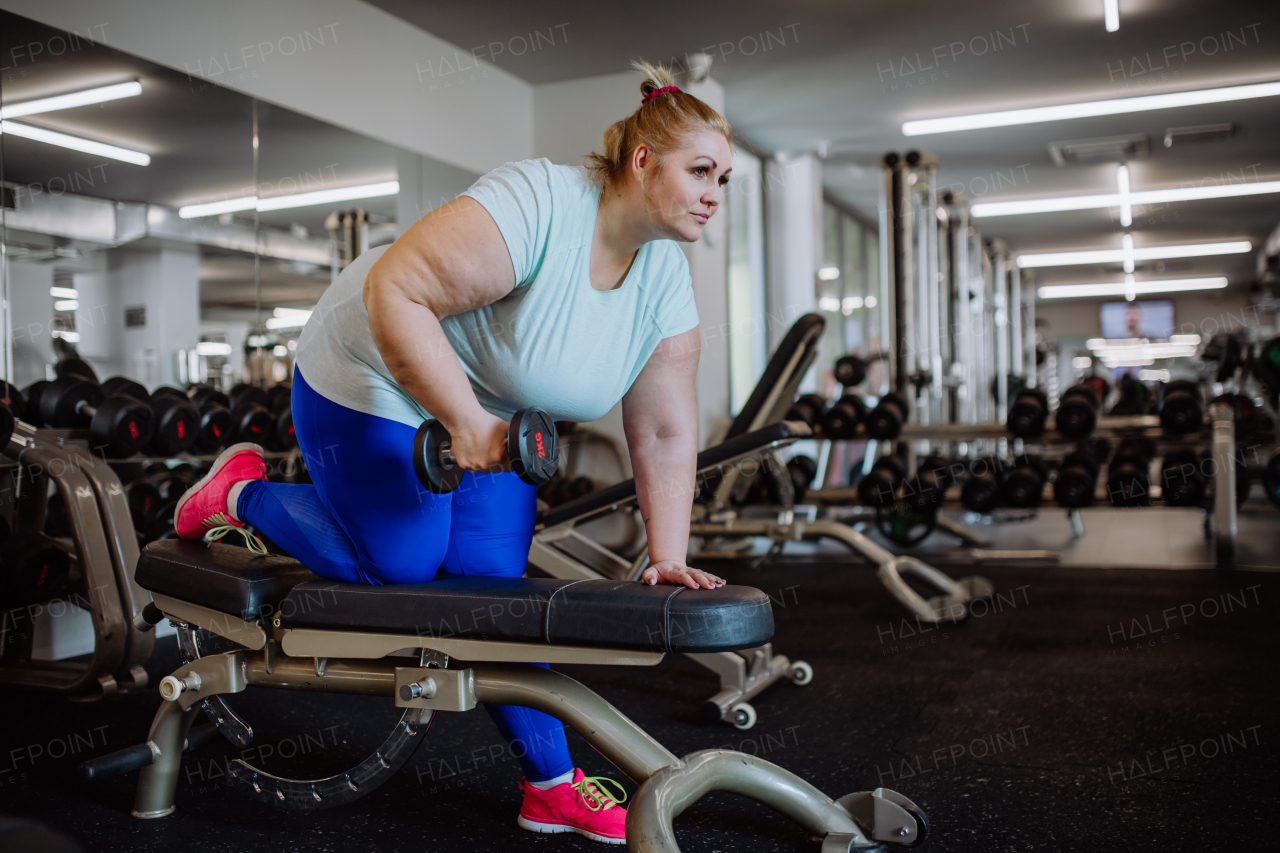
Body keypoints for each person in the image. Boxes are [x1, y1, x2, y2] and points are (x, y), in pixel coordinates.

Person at [173, 62, 732, 846]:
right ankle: (239, 490)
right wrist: (464, 420)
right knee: (401, 564)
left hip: (488, 405)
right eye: (700, 171)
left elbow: (666, 429)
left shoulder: (666, 280)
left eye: (724, 179)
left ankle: (552, 787)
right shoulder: (541, 203)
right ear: (643, 162)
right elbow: (396, 289)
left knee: (492, 600)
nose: (714, 192)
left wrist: (667, 554)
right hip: (371, 362)